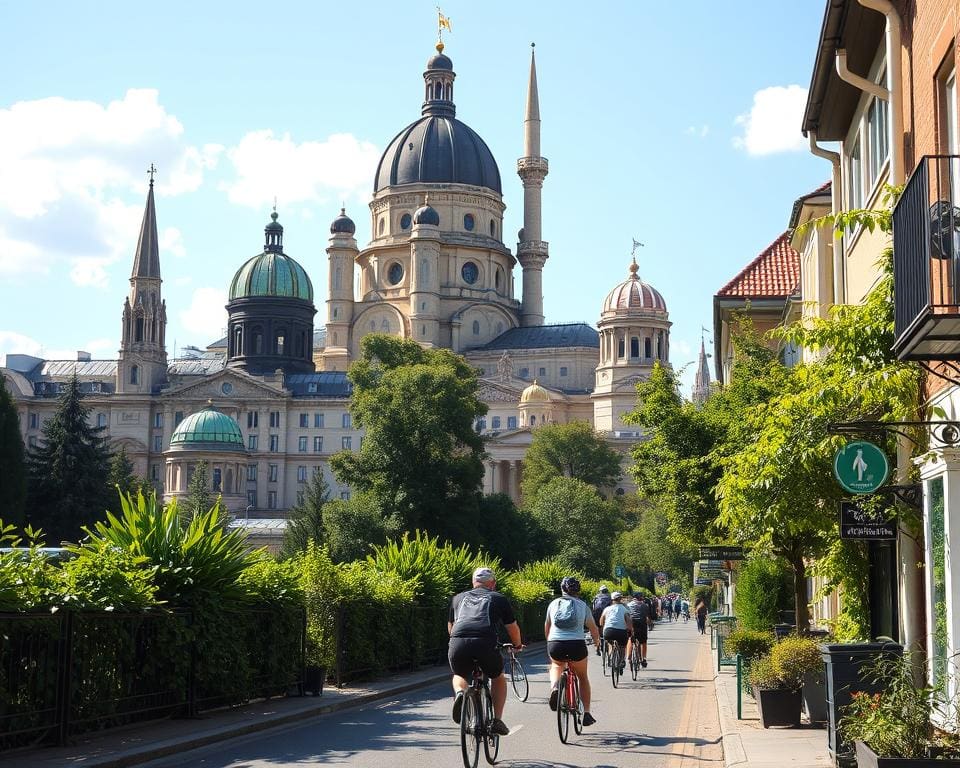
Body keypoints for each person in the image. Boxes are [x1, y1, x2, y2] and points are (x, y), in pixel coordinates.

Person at [448, 567, 522, 736]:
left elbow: (451, 628)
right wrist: (517, 645)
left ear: (473, 583)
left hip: (458, 641)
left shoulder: (457, 598)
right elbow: (512, 628)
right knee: (498, 677)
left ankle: (461, 693)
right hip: (485, 642)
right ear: (493, 584)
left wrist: (457, 644)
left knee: (459, 674)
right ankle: (497, 720)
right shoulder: (498, 598)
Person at [545, 576, 601, 727]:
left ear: (562, 589)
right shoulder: (583, 606)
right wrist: (597, 643)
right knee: (582, 677)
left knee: (556, 665)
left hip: (556, 643)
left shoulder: (553, 604)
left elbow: (547, 627)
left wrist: (549, 643)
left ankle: (555, 687)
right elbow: (593, 629)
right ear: (578, 590)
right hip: (577, 645)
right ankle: (587, 713)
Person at [599, 591, 633, 672]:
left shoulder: (607, 609)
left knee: (610, 642)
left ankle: (611, 657)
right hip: (621, 632)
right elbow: (628, 622)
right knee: (622, 646)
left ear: (612, 600)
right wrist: (630, 631)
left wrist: (604, 627)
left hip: (608, 631)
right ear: (620, 599)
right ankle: (621, 661)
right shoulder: (624, 609)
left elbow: (601, 622)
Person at [626, 592, 649, 668]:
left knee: (630, 639)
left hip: (632, 624)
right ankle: (644, 659)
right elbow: (647, 617)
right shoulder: (645, 605)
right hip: (642, 625)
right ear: (641, 598)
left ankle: (629, 657)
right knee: (643, 642)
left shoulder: (628, 605)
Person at [590, 585, 612, 654]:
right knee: (607, 629)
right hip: (606, 615)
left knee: (597, 630)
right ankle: (607, 645)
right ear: (607, 591)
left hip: (596, 615)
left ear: (600, 591)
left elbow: (593, 608)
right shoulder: (610, 597)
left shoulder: (596, 597)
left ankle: (597, 647)